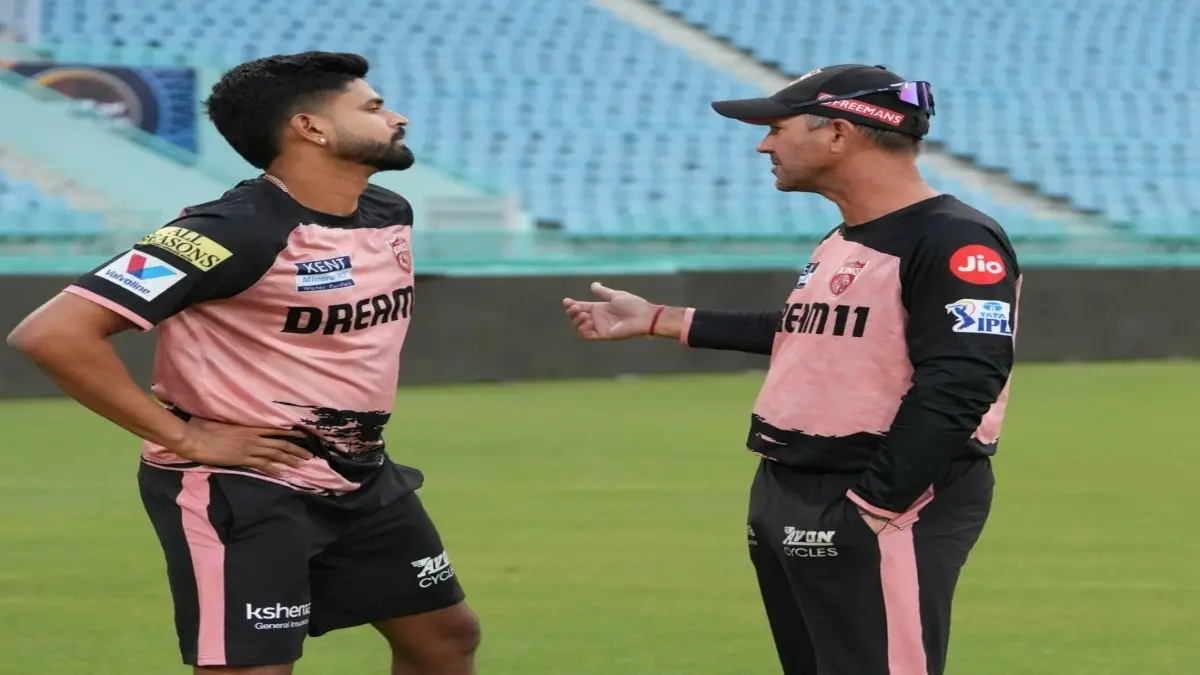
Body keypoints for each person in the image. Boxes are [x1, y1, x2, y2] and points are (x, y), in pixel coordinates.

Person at [7, 52, 480, 675]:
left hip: (361, 476)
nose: (397, 116)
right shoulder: (226, 231)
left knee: (445, 639)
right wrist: (183, 436)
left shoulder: (387, 211)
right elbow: (52, 334)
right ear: (310, 128)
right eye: (371, 107)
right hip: (246, 488)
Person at [562, 64, 1019, 675]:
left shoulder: (956, 239)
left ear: (838, 133)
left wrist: (873, 507)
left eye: (776, 127)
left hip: (879, 495)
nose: (762, 143)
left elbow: (962, 382)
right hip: (794, 483)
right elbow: (806, 329)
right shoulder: (847, 236)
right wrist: (659, 318)